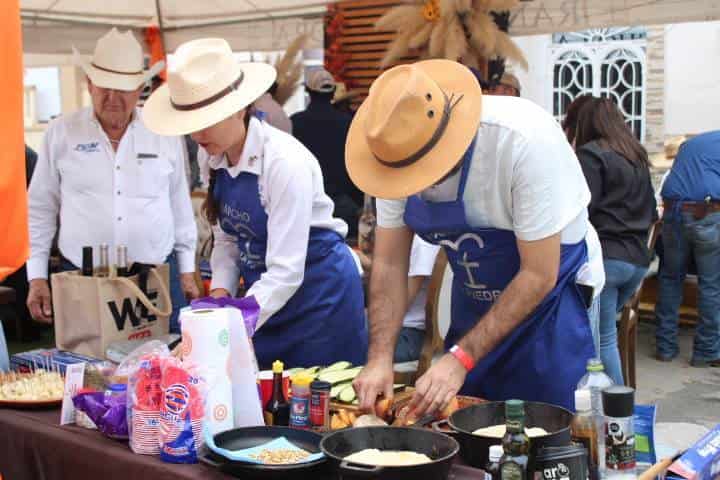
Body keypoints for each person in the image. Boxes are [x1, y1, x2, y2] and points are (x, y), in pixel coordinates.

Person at [348, 60, 604, 414]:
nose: (412, 187)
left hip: (553, 294)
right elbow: (390, 263)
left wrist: (459, 360)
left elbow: (538, 273)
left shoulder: (522, 140)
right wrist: (379, 358)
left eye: (422, 173)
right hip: (475, 293)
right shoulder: (393, 152)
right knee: (470, 418)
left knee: (553, 425)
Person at [143, 38, 368, 369]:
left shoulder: (284, 163)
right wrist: (219, 295)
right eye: (190, 125)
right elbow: (228, 240)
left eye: (206, 120)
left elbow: (286, 271)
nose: (197, 136)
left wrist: (230, 324)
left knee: (315, 407)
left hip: (320, 299)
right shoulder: (212, 155)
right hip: (262, 300)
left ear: (239, 108)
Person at [26, 28, 199, 333]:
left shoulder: (164, 132)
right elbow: (39, 209)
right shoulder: (60, 133)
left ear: (140, 88)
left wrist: (187, 270)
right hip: (82, 279)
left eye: (123, 88)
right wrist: (36, 276)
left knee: (166, 364)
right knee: (87, 368)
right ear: (89, 84)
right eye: (105, 86)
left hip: (157, 276)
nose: (113, 98)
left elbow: (179, 203)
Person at [575, 97, 657, 385]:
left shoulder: (591, 154)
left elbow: (580, 210)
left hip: (607, 261)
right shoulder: (636, 156)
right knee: (604, 336)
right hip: (636, 263)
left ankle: (619, 415)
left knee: (602, 341)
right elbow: (652, 213)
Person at [655, 130, 720, 367]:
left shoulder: (695, 142)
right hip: (707, 214)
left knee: (671, 277)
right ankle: (706, 351)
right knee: (711, 284)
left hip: (673, 213)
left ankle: (665, 347)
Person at [291, 68, 364, 238]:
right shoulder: (348, 123)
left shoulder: (295, 122)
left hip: (307, 205)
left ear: (308, 91)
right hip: (344, 204)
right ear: (333, 93)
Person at [358, 232, 441, 363]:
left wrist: (366, 263)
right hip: (399, 329)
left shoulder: (423, 242)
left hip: (408, 336)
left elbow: (399, 304)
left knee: (342, 328)